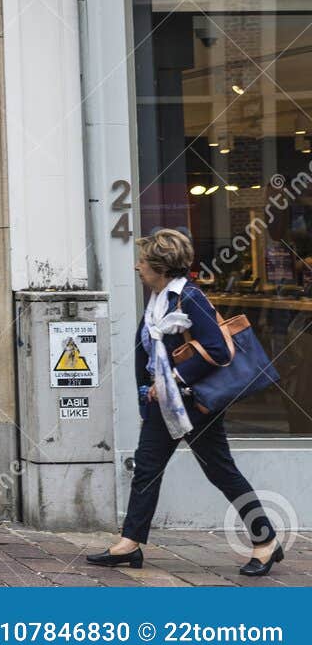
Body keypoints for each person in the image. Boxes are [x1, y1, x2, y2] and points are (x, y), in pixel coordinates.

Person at [87, 229, 283, 577]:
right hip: (163, 405)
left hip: (195, 404)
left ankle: (265, 541)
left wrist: (173, 380)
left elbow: (220, 351)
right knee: (146, 470)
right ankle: (130, 543)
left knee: (221, 471)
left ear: (160, 267)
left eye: (143, 260)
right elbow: (148, 353)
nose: (136, 266)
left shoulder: (190, 299)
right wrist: (149, 392)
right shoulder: (159, 299)